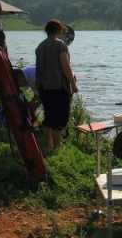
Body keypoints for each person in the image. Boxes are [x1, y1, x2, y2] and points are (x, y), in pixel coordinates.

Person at [35, 19, 77, 152]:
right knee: (61, 117)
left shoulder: (40, 46)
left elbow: (39, 68)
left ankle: (49, 145)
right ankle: (57, 147)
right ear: (59, 30)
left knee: (49, 116)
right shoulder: (60, 46)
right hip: (58, 86)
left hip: (43, 86)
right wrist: (73, 84)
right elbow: (66, 67)